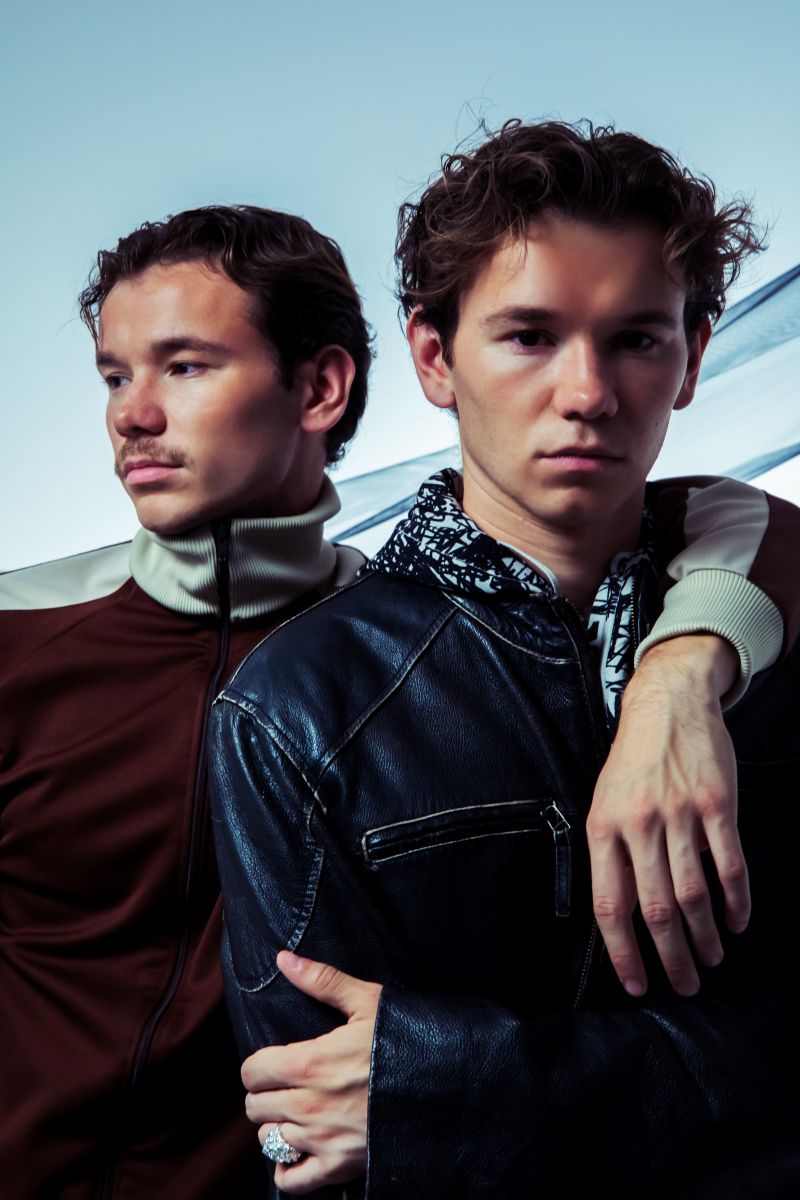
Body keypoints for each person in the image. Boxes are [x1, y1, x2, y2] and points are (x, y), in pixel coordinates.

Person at [210, 122, 800, 1199]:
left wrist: (464, 1089)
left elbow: (393, 1115)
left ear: (694, 356)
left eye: (636, 339)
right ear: (434, 359)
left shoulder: (775, 633)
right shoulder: (296, 707)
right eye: (529, 336)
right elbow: (318, 1139)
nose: (588, 392)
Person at [0, 205, 371, 1199]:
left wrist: (682, 672)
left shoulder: (411, 655)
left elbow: (714, 516)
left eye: (185, 366)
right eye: (116, 376)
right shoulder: (16, 635)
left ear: (319, 388)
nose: (132, 415)